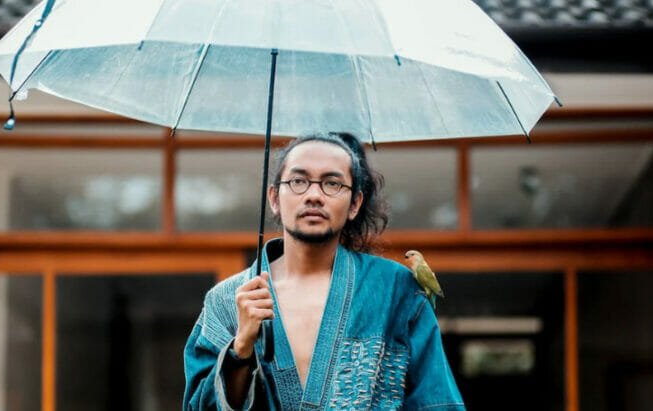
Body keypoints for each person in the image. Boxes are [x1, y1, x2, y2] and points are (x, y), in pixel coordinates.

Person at [183, 132, 465, 410]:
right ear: (274, 198)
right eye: (298, 181)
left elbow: (436, 402)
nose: (314, 195)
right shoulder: (227, 301)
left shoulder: (397, 290)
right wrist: (241, 349)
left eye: (332, 183)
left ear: (355, 204)